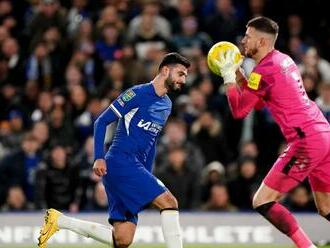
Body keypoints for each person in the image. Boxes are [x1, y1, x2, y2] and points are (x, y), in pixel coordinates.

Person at [38, 52, 190, 248]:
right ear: (165, 70)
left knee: (123, 239)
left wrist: (146, 173)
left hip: (134, 168)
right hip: (120, 162)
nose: (183, 80)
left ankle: (59, 221)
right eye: (180, 74)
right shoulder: (136, 94)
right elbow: (101, 122)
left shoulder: (167, 105)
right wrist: (99, 157)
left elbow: (151, 142)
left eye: (185, 76)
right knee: (170, 202)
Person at [215, 16, 330, 248]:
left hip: (306, 140)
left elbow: (239, 110)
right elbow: (258, 102)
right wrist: (239, 74)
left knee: (262, 201)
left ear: (262, 41)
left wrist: (228, 78)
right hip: (323, 134)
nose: (243, 41)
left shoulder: (264, 69)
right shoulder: (282, 60)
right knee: (326, 207)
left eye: (248, 37)